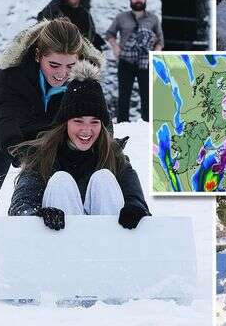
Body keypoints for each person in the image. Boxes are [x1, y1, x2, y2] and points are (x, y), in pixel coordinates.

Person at [0, 18, 107, 246]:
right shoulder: (8, 76)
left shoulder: (84, 80)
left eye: (70, 66)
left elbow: (98, 120)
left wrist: (107, 148)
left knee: (68, 178)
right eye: (54, 65)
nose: (62, 74)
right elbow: (5, 126)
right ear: (37, 55)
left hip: (51, 132)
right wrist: (32, 160)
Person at [8, 61, 150, 230]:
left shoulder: (113, 155)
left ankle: (111, 252)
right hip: (57, 243)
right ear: (65, 123)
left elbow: (135, 197)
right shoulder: (43, 155)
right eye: (78, 121)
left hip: (107, 243)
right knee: (61, 181)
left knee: (103, 178)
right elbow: (21, 204)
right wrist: (36, 214)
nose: (86, 130)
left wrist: (135, 208)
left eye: (94, 122)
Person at [106, 0, 164, 122]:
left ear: (145, 0)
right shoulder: (121, 17)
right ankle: (122, 125)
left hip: (145, 61)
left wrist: (155, 53)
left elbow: (160, 40)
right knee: (124, 95)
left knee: (147, 95)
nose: (138, 0)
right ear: (131, 0)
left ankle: (147, 125)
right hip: (126, 60)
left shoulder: (153, 19)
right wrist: (115, 47)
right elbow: (110, 34)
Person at [37, 0, 105, 49]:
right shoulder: (55, 6)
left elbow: (90, 34)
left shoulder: (85, 13)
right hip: (56, 47)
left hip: (78, 50)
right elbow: (42, 19)